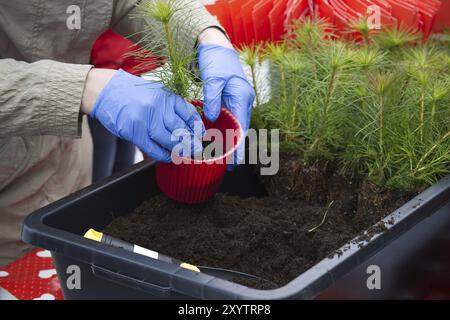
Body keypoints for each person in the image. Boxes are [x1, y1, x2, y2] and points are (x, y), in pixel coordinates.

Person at [0, 0, 255, 266]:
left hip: (66, 160)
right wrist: (86, 88)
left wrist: (205, 37)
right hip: (8, 193)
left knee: (70, 268)